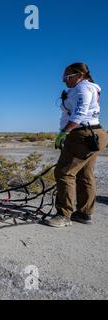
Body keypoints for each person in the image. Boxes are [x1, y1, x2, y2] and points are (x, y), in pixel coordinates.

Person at [46, 63, 108, 228]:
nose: (64, 80)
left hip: (83, 135)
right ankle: (84, 213)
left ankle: (63, 215)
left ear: (79, 75)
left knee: (64, 172)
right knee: (84, 174)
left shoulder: (83, 89)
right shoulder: (89, 88)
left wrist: (65, 132)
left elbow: (80, 113)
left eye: (67, 77)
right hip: (93, 134)